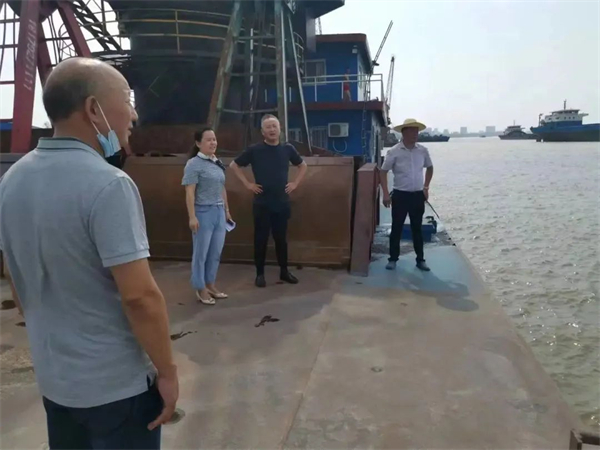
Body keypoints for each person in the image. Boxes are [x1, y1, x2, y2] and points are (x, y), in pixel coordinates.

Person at [0, 57, 178, 449]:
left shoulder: (11, 181)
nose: (133, 114)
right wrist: (167, 372)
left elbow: (15, 276)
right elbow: (140, 296)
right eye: (127, 100)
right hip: (116, 389)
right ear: (94, 109)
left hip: (55, 383)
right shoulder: (109, 184)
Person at [230, 114, 308, 288]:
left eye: (274, 126)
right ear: (262, 131)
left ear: (280, 129)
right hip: (262, 203)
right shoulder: (255, 150)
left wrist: (295, 183)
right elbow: (234, 165)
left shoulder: (287, 149)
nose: (272, 130)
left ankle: (284, 271)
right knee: (261, 239)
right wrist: (248, 184)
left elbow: (303, 165)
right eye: (268, 127)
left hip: (281, 202)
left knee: (281, 239)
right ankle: (260, 274)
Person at [182, 127, 232, 305]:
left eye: (214, 139)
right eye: (209, 140)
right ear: (198, 143)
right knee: (201, 253)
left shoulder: (217, 162)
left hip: (219, 211)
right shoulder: (193, 164)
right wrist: (192, 216)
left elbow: (222, 187)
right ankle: (200, 286)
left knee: (215, 252)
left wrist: (226, 210)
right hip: (203, 212)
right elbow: (190, 192)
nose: (213, 143)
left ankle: (210, 283)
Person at [380, 118, 434, 272]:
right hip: (400, 196)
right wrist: (385, 194)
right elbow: (383, 172)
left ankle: (420, 260)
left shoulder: (422, 151)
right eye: (412, 131)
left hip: (417, 196)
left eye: (417, 131)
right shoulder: (394, 151)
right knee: (396, 227)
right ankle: (393, 259)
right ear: (404, 133)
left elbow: (430, 168)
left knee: (417, 228)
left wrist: (426, 187)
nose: (415, 134)